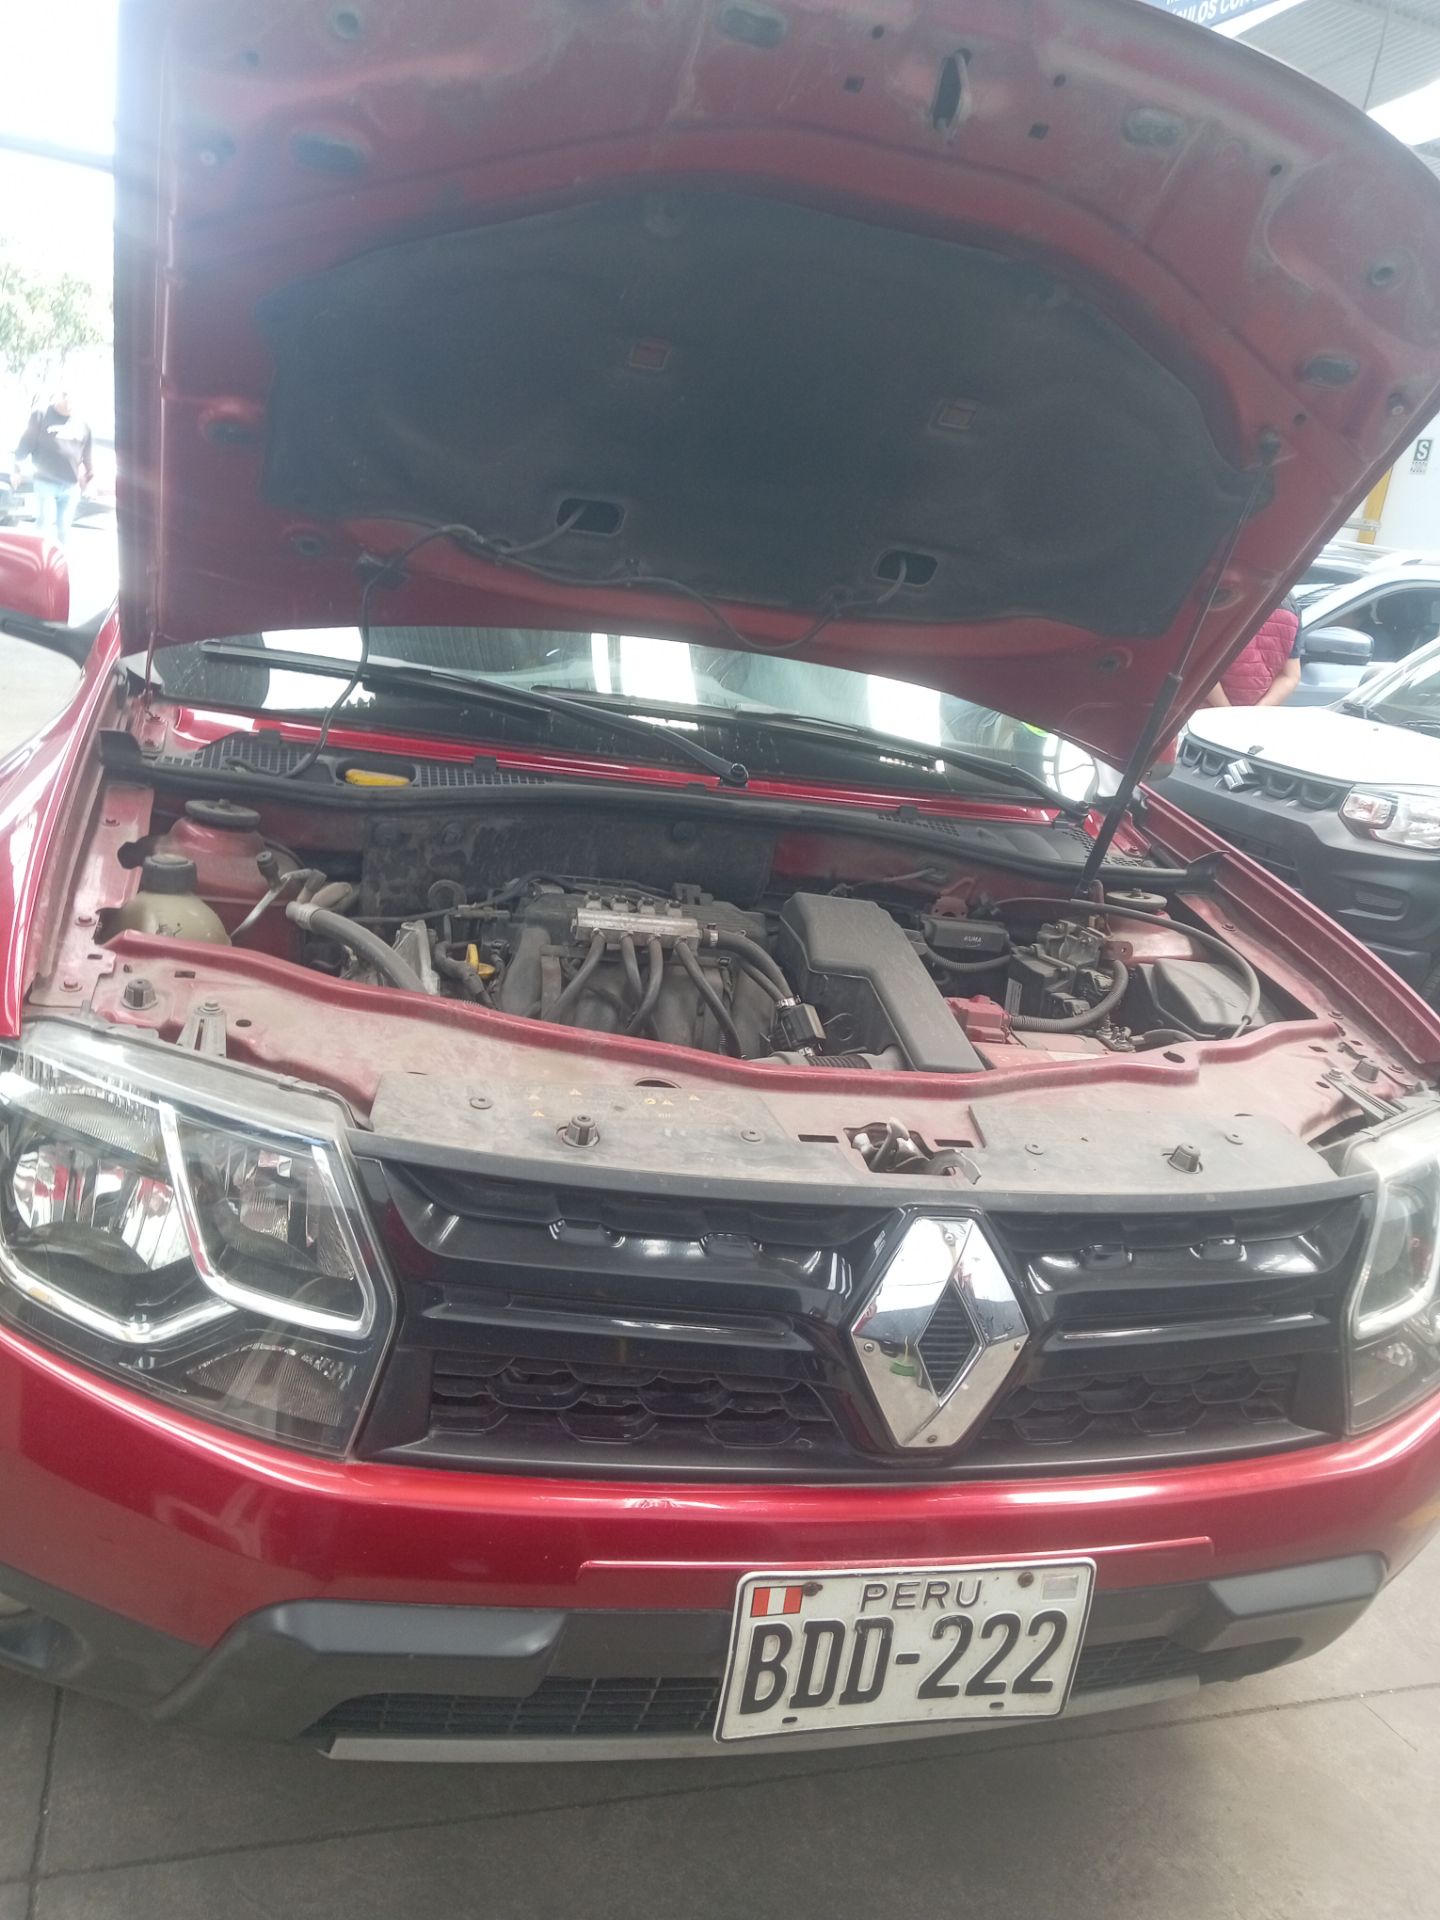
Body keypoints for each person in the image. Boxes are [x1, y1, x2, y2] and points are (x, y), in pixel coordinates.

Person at [14, 391, 92, 549]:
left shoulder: (82, 424)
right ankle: (37, 559)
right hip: (45, 482)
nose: (70, 401)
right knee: (43, 525)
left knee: (64, 529)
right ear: (60, 396)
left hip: (70, 485)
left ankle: (61, 561)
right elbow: (26, 443)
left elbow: (87, 455)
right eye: (66, 396)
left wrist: (89, 478)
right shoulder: (41, 415)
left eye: (73, 398)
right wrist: (17, 469)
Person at [1203, 595, 1302, 708]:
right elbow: (1291, 675)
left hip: (1206, 712)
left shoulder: (1215, 599)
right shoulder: (1291, 608)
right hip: (1254, 714)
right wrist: (1257, 711)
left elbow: (1199, 668)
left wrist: (1227, 710)